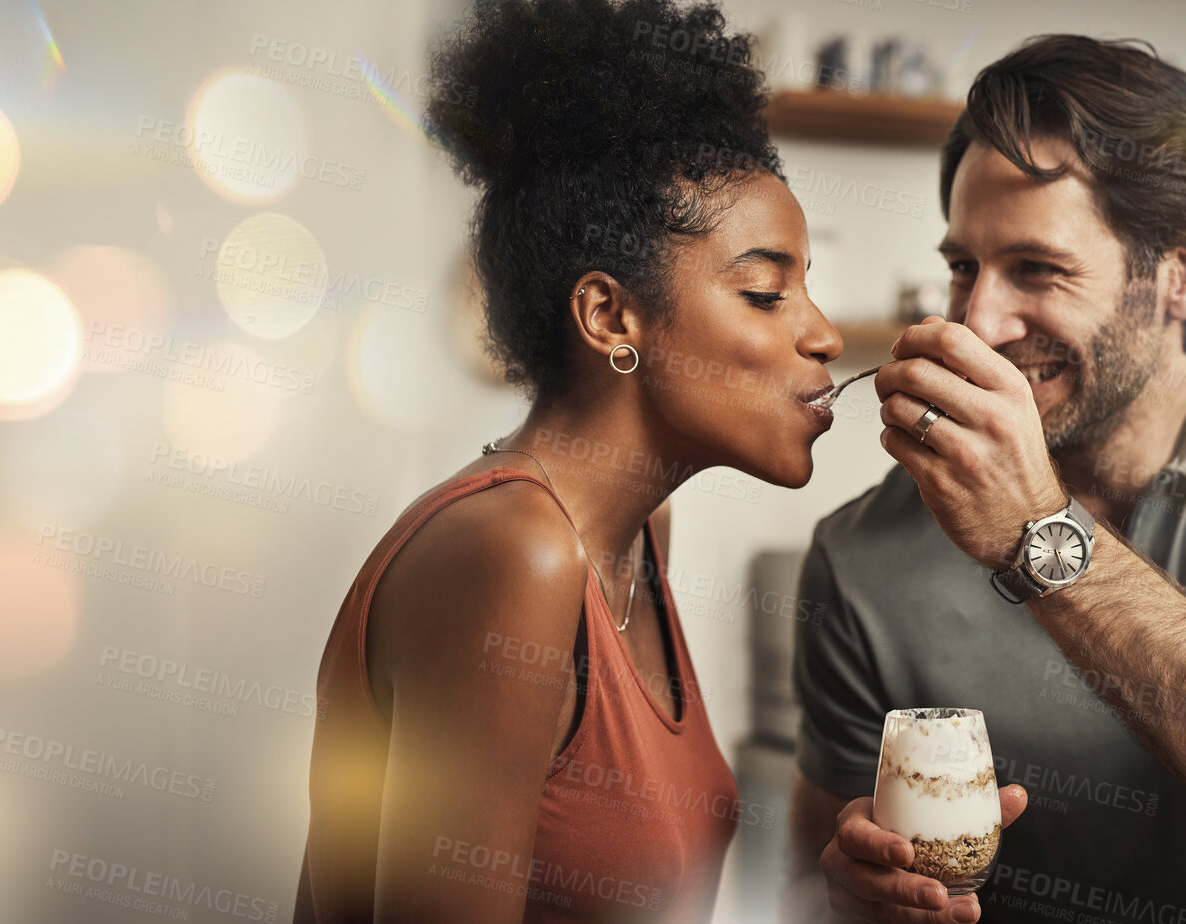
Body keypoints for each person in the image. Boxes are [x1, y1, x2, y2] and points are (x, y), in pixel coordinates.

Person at [785, 35, 1186, 923]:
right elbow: (806, 883)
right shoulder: (857, 557)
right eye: (962, 268)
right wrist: (855, 892)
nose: (978, 318)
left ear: (1182, 274)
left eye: (1038, 269)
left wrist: (1038, 534)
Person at [293, 0, 845, 920]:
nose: (822, 334)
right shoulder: (515, 553)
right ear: (609, 318)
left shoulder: (639, 536)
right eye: (763, 292)